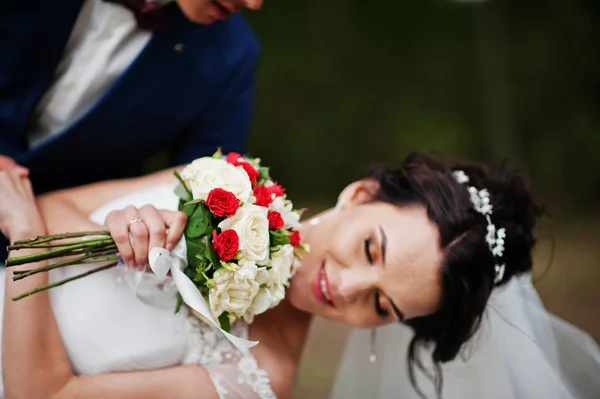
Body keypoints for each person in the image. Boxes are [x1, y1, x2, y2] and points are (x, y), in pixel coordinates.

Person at [1, 152, 599, 398]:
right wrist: (120, 233)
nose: (346, 290)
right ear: (360, 194)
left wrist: (32, 239)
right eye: (370, 249)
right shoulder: (224, 182)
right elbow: (42, 205)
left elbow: (42, 395)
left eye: (382, 306)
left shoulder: (255, 377)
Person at [0, 0, 263, 260]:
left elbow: (205, 195)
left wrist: (147, 223)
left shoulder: (231, 56)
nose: (254, 3)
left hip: (62, 254)